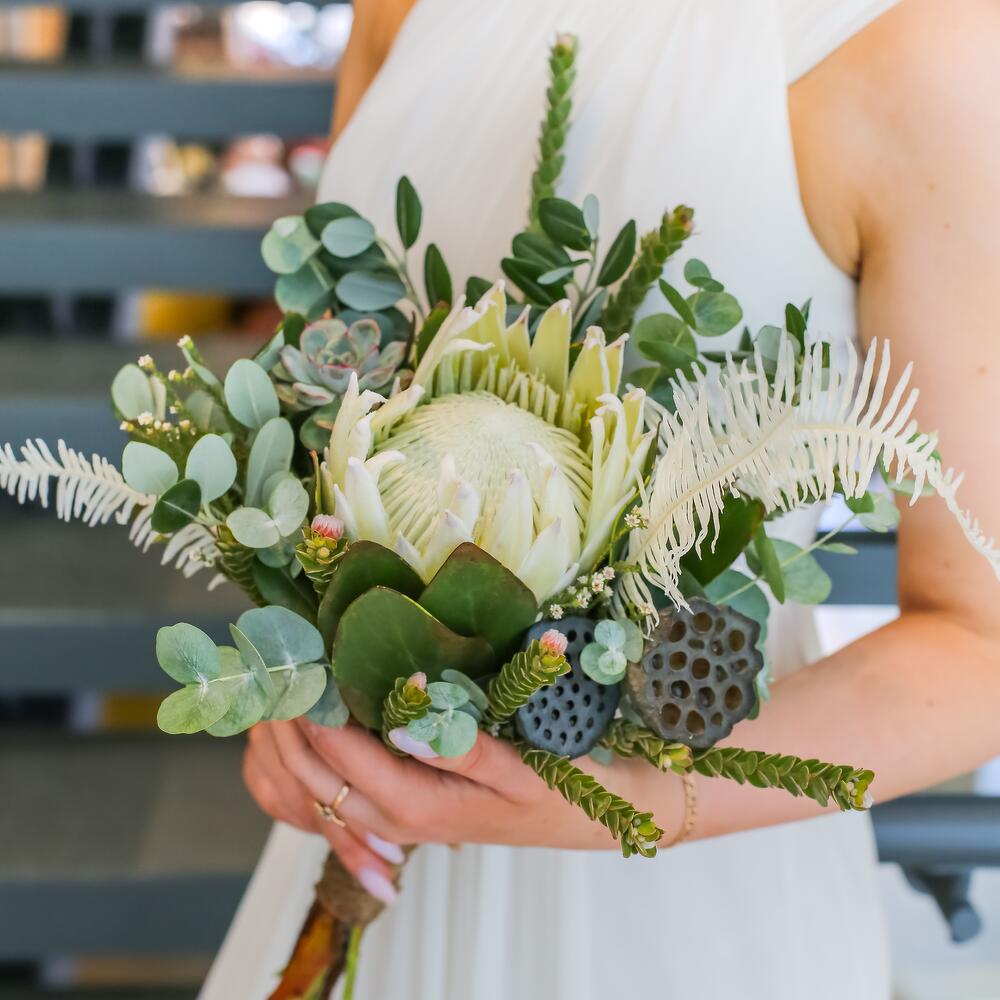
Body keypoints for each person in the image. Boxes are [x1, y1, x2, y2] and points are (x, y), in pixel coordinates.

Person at [202, 1, 1000, 997]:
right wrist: (296, 691)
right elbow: (333, 418)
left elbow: (983, 641)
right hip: (367, 844)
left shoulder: (923, 45)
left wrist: (628, 800)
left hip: (684, 902)